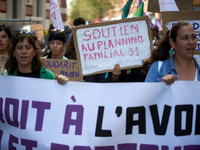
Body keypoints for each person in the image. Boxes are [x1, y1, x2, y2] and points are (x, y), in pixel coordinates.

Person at [2, 31, 68, 85]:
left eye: (28, 48)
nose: (24, 51)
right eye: (19, 48)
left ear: (34, 52)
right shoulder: (5, 76)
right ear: (14, 52)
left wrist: (62, 84)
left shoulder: (48, 76)